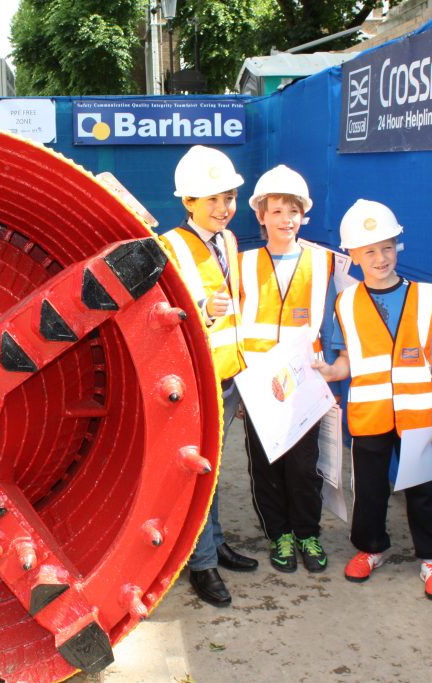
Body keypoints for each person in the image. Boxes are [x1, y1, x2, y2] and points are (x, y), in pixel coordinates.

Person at [314, 199, 432, 601]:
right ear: (353, 257)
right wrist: (329, 372)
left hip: (419, 413)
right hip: (369, 414)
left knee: (423, 491)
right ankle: (371, 548)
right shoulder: (345, 304)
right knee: (370, 490)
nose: (380, 258)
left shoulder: (427, 296)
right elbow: (345, 361)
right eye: (370, 251)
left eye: (387, 247)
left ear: (398, 247)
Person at [158, 145, 258, 607]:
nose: (223, 208)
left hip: (227, 378)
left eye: (229, 197)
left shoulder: (231, 241)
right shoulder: (171, 245)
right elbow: (158, 317)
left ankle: (214, 544)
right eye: (212, 199)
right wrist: (201, 310)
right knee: (197, 476)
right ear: (188, 202)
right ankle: (199, 566)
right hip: (197, 384)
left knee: (215, 473)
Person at [238, 165, 334, 574]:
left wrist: (332, 365)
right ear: (261, 215)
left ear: (303, 214)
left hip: (303, 381)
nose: (285, 219)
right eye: (276, 211)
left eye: (292, 210)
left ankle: (307, 532)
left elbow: (340, 319)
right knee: (266, 465)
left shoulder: (325, 261)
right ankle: (279, 534)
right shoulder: (242, 264)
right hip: (258, 384)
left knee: (303, 464)